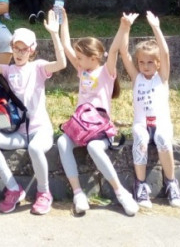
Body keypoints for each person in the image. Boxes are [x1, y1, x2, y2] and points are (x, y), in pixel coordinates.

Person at [0, 9, 66, 214]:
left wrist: (54, 33)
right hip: (18, 132)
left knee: (35, 148)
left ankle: (44, 192)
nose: (19, 52)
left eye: (23, 49)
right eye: (16, 48)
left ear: (32, 50)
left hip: (40, 130)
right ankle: (13, 188)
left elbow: (61, 63)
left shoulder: (39, 67)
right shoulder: (8, 70)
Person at [56, 13, 139, 217]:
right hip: (80, 128)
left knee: (94, 147)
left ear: (93, 58)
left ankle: (121, 192)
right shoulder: (82, 70)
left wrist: (124, 27)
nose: (77, 60)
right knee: (62, 142)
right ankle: (78, 193)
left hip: (100, 129)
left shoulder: (105, 72)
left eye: (80, 57)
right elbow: (66, 45)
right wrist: (63, 19)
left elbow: (114, 50)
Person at [120, 11, 180, 208]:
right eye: (141, 62)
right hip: (142, 123)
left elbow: (165, 53)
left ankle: (171, 182)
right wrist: (126, 27)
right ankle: (140, 185)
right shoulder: (136, 77)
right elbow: (124, 52)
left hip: (161, 123)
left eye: (150, 62)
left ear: (157, 64)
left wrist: (156, 27)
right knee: (140, 139)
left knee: (163, 139)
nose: (145, 66)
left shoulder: (162, 78)